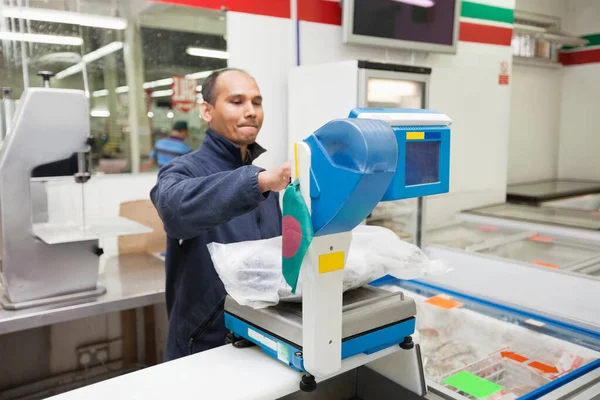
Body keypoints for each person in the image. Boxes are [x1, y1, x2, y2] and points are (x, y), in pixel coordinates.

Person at [150, 68, 291, 361]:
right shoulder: (184, 170)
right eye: (236, 102)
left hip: (263, 337)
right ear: (207, 111)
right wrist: (260, 181)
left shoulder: (264, 180)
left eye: (257, 102)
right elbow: (173, 209)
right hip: (204, 343)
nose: (251, 112)